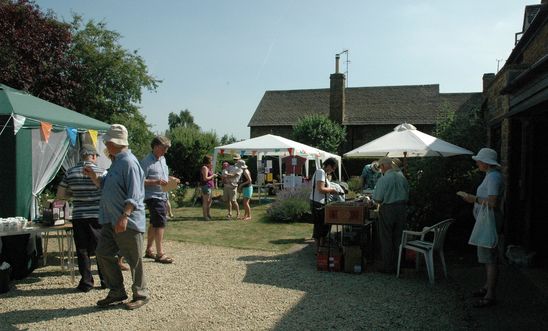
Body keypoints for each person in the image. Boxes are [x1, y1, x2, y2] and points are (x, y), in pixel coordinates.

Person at [84, 124, 148, 310]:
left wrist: (125, 215)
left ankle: (141, 294)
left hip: (126, 221)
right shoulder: (117, 162)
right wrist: (93, 176)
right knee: (103, 253)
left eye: (107, 141)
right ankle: (117, 291)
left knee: (134, 259)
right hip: (111, 220)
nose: (105, 143)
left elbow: (136, 193)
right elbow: (105, 185)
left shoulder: (129, 162)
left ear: (115, 142)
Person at [457, 148, 504, 308]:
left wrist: (473, 199)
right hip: (486, 221)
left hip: (489, 222)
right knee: (487, 257)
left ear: (485, 162)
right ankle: (487, 287)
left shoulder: (493, 178)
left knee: (489, 258)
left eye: (479, 160)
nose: (477, 163)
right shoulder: (490, 176)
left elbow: (492, 203)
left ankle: (490, 294)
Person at [56, 144, 106, 292]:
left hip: (78, 215)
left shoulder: (70, 172)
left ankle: (86, 282)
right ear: (93, 156)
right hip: (97, 214)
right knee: (101, 249)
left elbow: (60, 195)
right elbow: (107, 190)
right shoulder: (101, 171)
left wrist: (73, 195)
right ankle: (105, 280)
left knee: (82, 249)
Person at [141, 136, 179, 264]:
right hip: (153, 196)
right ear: (156, 147)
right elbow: (140, 180)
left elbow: (162, 176)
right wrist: (156, 181)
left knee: (154, 223)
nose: (166, 151)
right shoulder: (146, 161)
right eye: (164, 148)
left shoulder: (162, 159)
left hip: (162, 195)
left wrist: (171, 179)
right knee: (160, 223)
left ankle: (149, 250)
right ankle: (160, 253)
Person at [372, 156, 409, 274]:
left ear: (383, 166)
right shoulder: (402, 177)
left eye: (380, 167)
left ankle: (388, 266)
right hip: (402, 208)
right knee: (399, 238)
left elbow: (378, 199)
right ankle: (399, 265)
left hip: (388, 209)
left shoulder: (384, 179)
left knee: (386, 238)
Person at [309, 157, 341, 251]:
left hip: (320, 202)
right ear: (329, 165)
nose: (333, 170)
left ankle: (321, 247)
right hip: (317, 203)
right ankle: (318, 249)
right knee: (319, 226)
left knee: (323, 225)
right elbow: (321, 189)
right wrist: (333, 190)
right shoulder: (321, 172)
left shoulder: (323, 173)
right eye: (333, 168)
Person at [200, 155, 218, 221]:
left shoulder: (208, 168)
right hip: (206, 186)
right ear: (208, 160)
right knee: (205, 201)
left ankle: (208, 214)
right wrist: (213, 175)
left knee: (209, 201)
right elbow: (205, 178)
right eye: (211, 160)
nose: (212, 161)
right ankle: (205, 216)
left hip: (209, 186)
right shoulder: (204, 168)